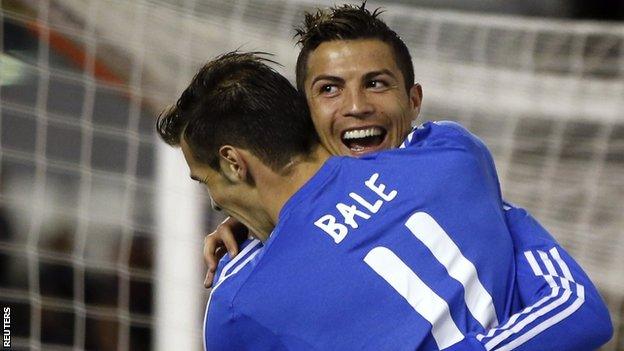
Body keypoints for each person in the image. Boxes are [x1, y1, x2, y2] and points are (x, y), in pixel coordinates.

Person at [157, 51, 611, 350]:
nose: (217, 202)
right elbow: (580, 311)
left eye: (205, 182)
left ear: (235, 164)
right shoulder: (450, 156)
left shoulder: (238, 304)